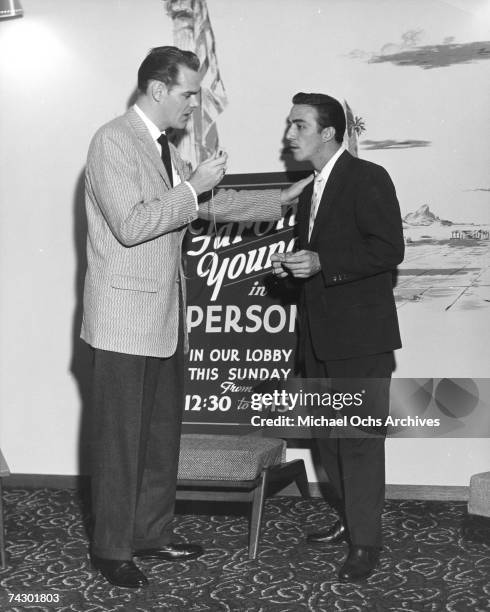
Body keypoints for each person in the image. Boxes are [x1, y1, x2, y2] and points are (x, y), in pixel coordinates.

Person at [81, 46, 310, 589]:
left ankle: (150, 535)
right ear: (158, 90)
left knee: (160, 438)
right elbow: (134, 224)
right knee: (120, 442)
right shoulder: (112, 140)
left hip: (160, 317)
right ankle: (112, 550)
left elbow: (205, 206)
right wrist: (191, 187)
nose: (193, 104)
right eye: (188, 93)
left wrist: (282, 198)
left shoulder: (161, 147)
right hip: (121, 321)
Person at [271, 92, 404, 582]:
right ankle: (352, 522)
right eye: (290, 125)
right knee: (328, 442)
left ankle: (365, 545)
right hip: (319, 341)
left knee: (359, 441)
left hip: (361, 341)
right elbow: (317, 265)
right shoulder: (310, 191)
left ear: (329, 132)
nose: (289, 135)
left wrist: (324, 263)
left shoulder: (368, 178)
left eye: (298, 126)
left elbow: (389, 249)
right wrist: (290, 272)